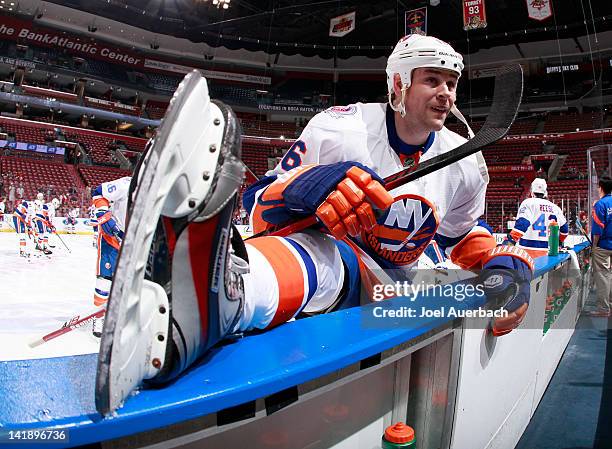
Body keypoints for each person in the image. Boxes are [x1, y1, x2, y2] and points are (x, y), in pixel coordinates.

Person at [96, 37, 534, 412]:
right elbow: (258, 210)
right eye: (432, 80)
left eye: (452, 83)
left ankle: (216, 297)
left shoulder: (467, 160)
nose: (446, 94)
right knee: (326, 256)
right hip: (331, 267)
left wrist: (502, 263)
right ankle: (216, 300)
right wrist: (303, 187)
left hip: (398, 285)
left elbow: (460, 235)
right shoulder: (338, 129)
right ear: (398, 82)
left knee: (339, 262)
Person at [90, 176, 130, 338]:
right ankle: (98, 316)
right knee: (105, 280)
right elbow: (99, 192)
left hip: (134, 242)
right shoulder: (127, 184)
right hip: (112, 239)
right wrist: (103, 212)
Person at [509, 178, 568, 258]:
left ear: (532, 192)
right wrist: (558, 243)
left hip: (527, 252)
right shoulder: (555, 208)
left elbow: (522, 224)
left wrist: (510, 240)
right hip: (548, 254)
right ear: (545, 193)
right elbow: (564, 231)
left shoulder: (528, 203)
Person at [588, 175, 612, 317]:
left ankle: (604, 309)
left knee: (603, 276)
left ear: (601, 187)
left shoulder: (600, 204)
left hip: (603, 246)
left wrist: (594, 246)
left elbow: (598, 228)